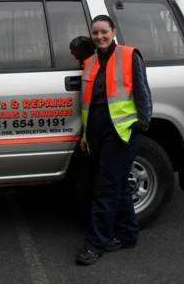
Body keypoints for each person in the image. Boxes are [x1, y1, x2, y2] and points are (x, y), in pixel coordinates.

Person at [76, 14, 152, 266]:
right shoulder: (89, 63)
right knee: (116, 183)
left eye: (104, 32)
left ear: (113, 31)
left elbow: (142, 91)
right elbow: (86, 103)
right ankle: (128, 234)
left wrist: (143, 122)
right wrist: (85, 135)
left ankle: (95, 243)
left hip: (121, 130)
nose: (100, 37)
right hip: (96, 130)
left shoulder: (130, 55)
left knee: (106, 187)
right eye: (95, 33)